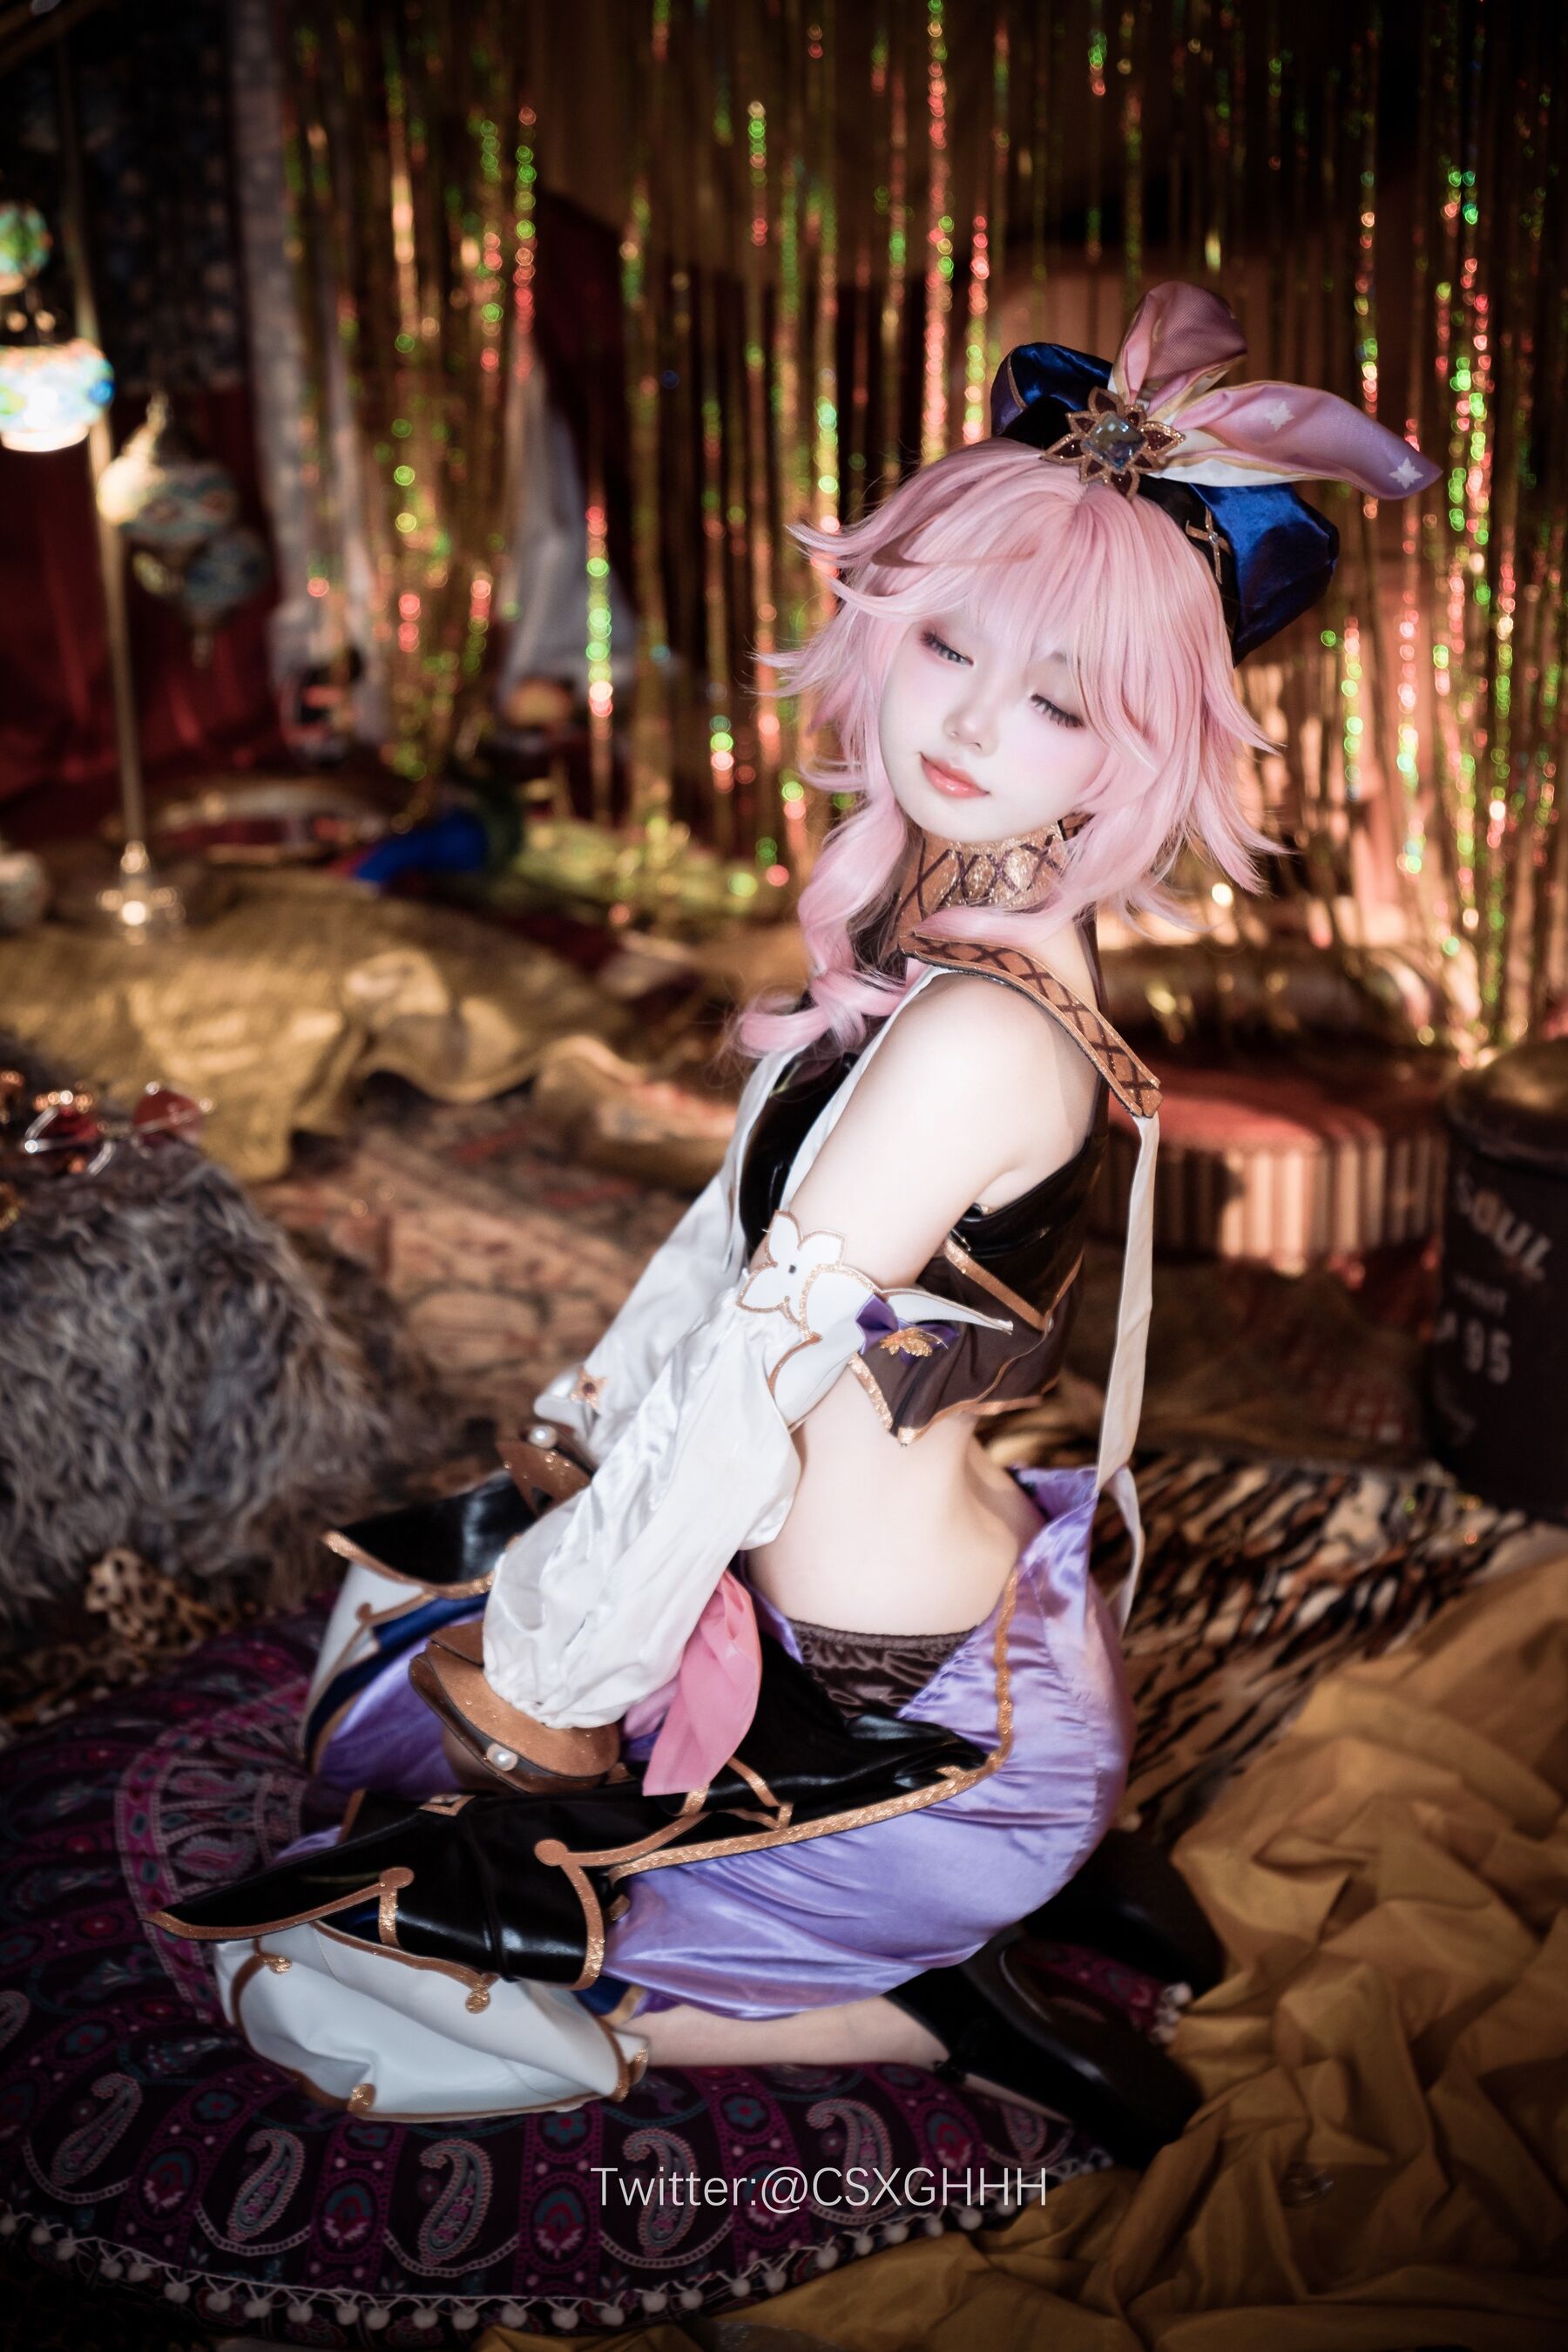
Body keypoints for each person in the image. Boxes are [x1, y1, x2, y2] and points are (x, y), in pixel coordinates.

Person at [158, 285, 1436, 2140]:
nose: (972, 722)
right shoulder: (964, 936)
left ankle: (920, 2010)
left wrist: (552, 1677)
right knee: (390, 1681)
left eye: (1061, 698)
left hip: (908, 1733)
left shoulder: (978, 1035)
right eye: (951, 643)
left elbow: (750, 1380)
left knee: (316, 1950)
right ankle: (963, 1907)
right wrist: (581, 1458)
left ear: (1140, 743)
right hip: (884, 1637)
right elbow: (725, 1258)